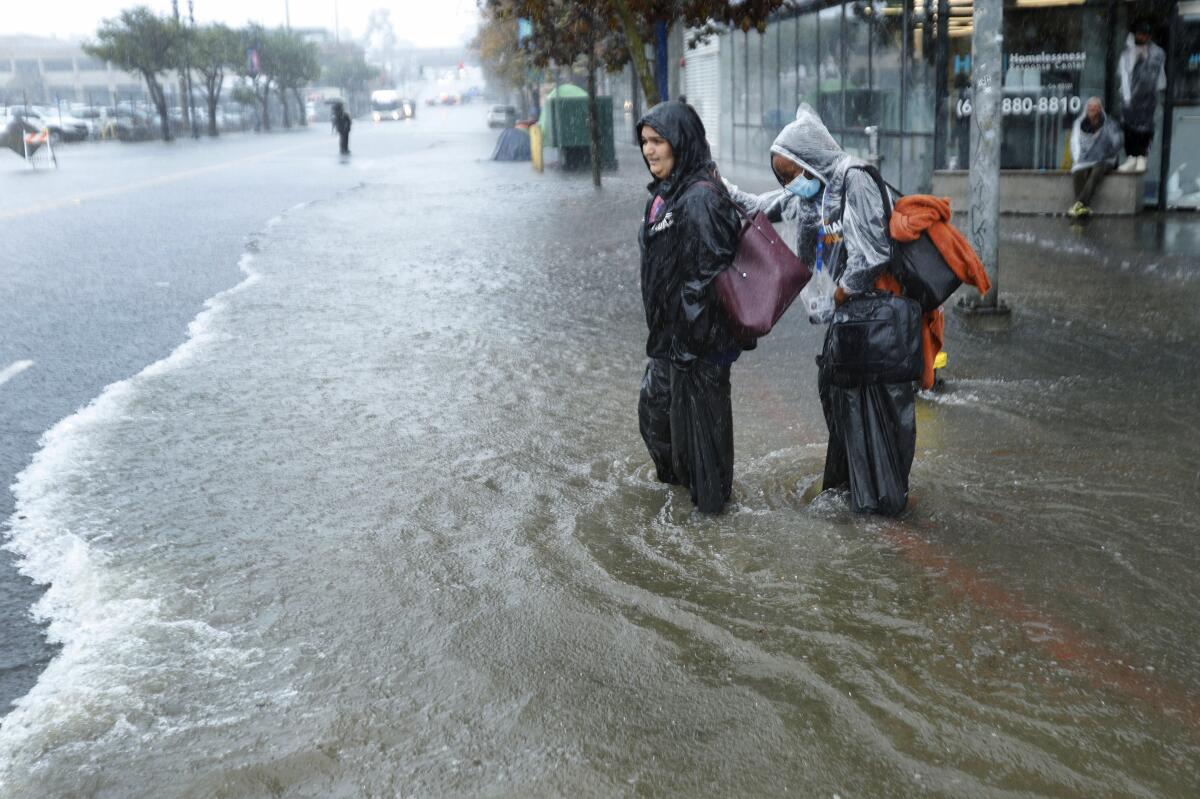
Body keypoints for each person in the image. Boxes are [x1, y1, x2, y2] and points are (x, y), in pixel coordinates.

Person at [724, 105, 913, 515]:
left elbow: (873, 255)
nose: (791, 183)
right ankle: (853, 500)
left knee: (873, 418)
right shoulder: (814, 197)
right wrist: (714, 182)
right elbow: (757, 206)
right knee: (843, 413)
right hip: (848, 332)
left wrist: (839, 296)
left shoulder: (855, 179)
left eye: (792, 173)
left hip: (875, 329)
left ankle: (879, 511)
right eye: (783, 177)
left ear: (811, 157)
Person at [636, 101, 745, 514]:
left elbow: (708, 278)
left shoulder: (700, 197)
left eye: (658, 141)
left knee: (705, 460)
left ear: (680, 143)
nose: (649, 150)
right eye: (645, 142)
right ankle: (683, 512)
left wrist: (691, 344)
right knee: (657, 422)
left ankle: (713, 535)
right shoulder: (665, 196)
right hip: (670, 345)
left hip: (698, 351)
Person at [1117, 20, 1166, 174]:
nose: (1141, 37)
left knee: (1146, 130)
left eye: (1144, 35)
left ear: (1149, 36)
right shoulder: (1127, 54)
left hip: (1148, 98)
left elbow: (1158, 77)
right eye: (1139, 34)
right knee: (1130, 129)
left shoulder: (1157, 53)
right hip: (1130, 99)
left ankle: (1142, 157)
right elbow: (1124, 75)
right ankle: (1132, 157)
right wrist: (1126, 97)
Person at [1068, 97, 1124, 218]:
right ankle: (1083, 207)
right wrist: (1078, 159)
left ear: (1100, 109)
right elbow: (1074, 142)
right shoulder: (1079, 123)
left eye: (1095, 107)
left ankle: (1080, 203)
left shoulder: (1109, 123)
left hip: (1105, 160)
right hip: (1086, 159)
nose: (1092, 110)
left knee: (1096, 171)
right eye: (1090, 107)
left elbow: (1117, 142)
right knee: (1078, 172)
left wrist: (1106, 152)